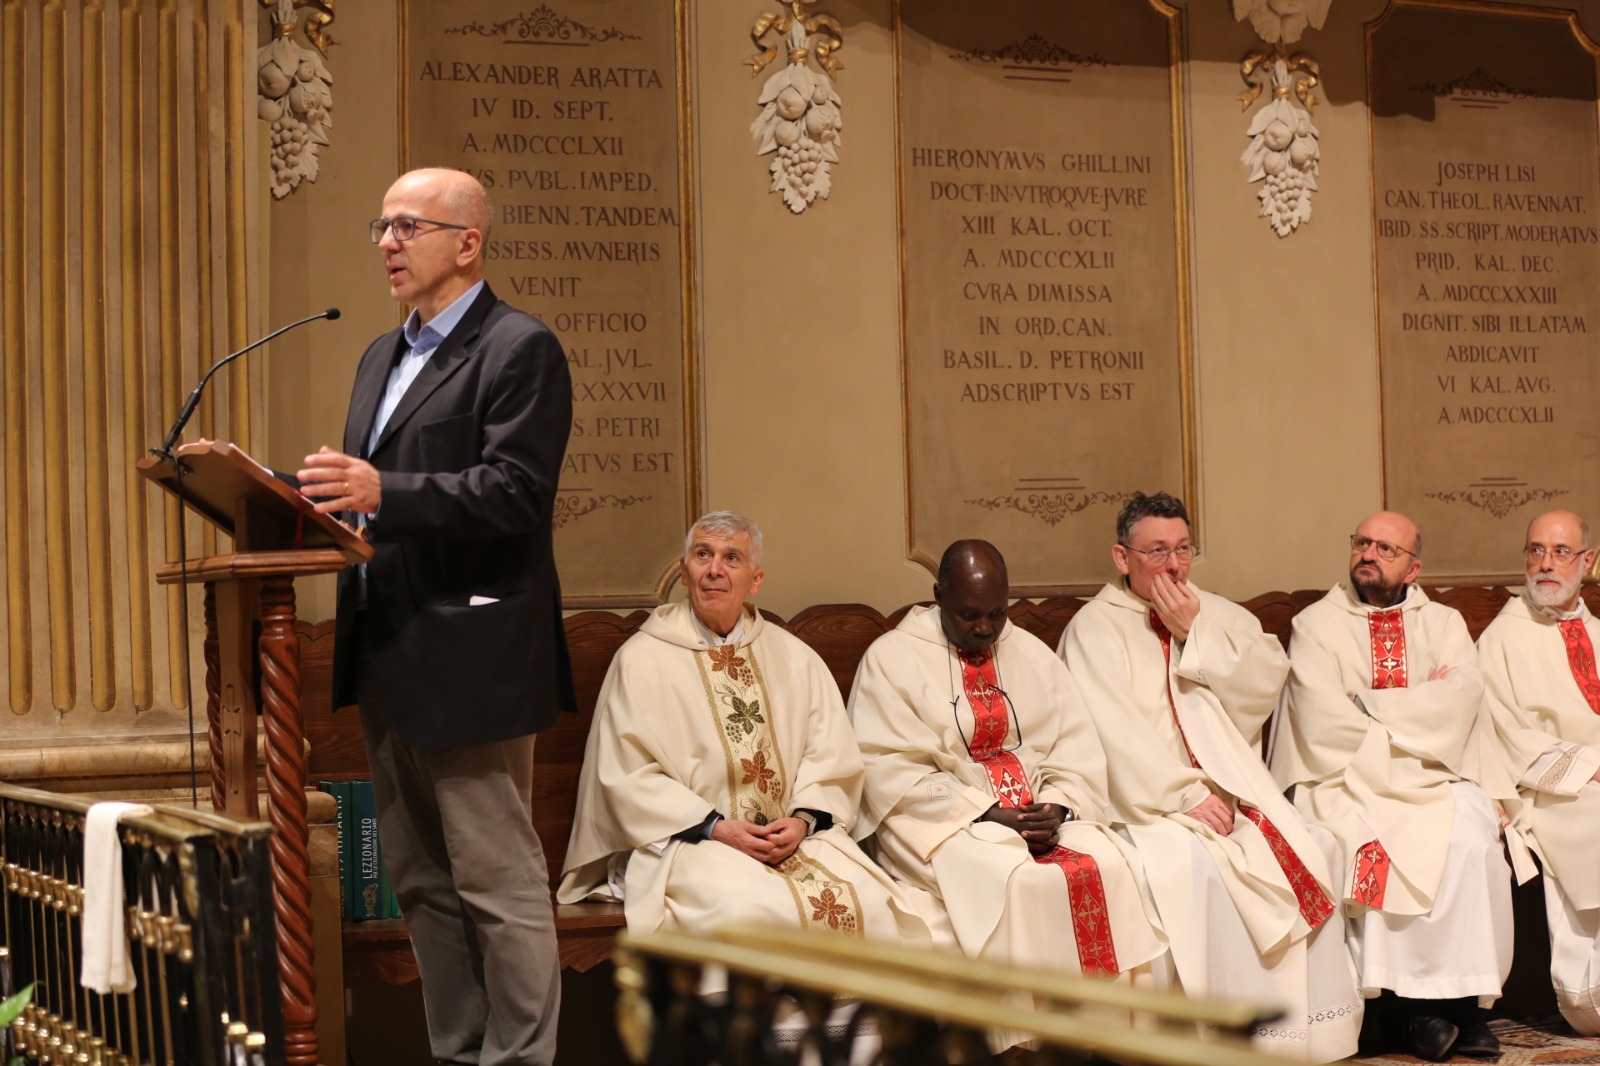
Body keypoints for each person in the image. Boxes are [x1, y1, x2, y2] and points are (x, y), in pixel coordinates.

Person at [298, 168, 574, 1066]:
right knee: (421, 881)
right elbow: (376, 500)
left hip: (473, 649)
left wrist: (386, 489)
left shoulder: (517, 347)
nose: (386, 240)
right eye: (380, 223)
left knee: (495, 879)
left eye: (408, 225)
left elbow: (517, 494)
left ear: (468, 242)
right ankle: (459, 1052)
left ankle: (520, 1057)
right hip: (389, 640)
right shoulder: (381, 355)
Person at [1058, 491, 1360, 1062]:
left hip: (1236, 788)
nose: (1173, 567)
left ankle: (1308, 1036)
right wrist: (1183, 794)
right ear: (1122, 558)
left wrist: (1197, 634)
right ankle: (1219, 1042)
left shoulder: (1214, 612)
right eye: (1156, 553)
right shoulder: (1093, 630)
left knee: (1316, 844)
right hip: (1148, 804)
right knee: (1190, 867)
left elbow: (1263, 688)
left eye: (1183, 550)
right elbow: (1109, 732)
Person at [557, 511, 932, 952]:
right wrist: (717, 828)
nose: (715, 569)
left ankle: (842, 1025)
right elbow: (626, 776)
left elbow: (830, 756)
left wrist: (802, 820)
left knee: (871, 902)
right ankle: (761, 1024)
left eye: (731, 558)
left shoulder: (795, 657)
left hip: (791, 840)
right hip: (690, 840)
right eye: (703, 555)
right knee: (747, 910)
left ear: (755, 580)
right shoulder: (641, 660)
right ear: (685, 571)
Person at [847, 539, 1165, 982]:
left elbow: (1073, 748)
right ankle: (1025, 1038)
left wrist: (1058, 806)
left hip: (1037, 815)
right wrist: (987, 813)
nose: (984, 629)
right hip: (939, 823)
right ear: (939, 597)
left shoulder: (1032, 653)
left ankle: (1098, 1034)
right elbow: (886, 767)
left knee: (1111, 864)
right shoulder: (891, 659)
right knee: (1018, 878)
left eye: (997, 614)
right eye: (969, 614)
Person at [1272, 510, 1511, 1061]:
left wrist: (1371, 703)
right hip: (1345, 778)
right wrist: (1415, 710)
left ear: (1413, 566)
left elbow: (1461, 697)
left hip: (1435, 772)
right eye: (1362, 543)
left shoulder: (1445, 623)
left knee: (1472, 837)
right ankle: (1397, 1009)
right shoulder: (1316, 624)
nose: (1369, 555)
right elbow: (1323, 719)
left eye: (1386, 549)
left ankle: (1464, 1004)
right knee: (1368, 842)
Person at [1476, 509, 1600, 1034]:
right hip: (1552, 791)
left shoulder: (1596, 629)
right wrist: (1589, 768)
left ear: (1588, 562)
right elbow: (1502, 731)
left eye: (1560, 552)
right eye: (1535, 551)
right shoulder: (1502, 637)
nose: (1545, 564)